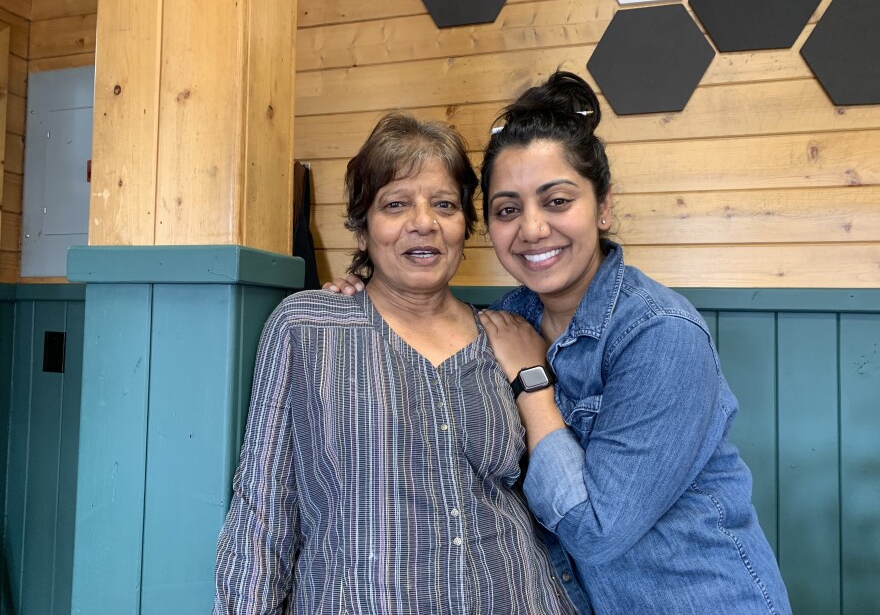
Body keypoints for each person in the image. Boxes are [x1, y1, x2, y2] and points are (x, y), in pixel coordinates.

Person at [328, 72, 792, 614]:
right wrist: (362, 293)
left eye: (556, 200)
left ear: (603, 207)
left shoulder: (661, 334)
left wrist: (534, 386)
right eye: (507, 209)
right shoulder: (504, 322)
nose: (531, 229)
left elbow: (596, 531)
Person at [213, 111, 579, 614]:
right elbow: (262, 513)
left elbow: (553, 497)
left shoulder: (508, 334)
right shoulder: (308, 328)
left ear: (464, 227)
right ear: (362, 229)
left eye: (444, 205)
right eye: (396, 204)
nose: (423, 222)